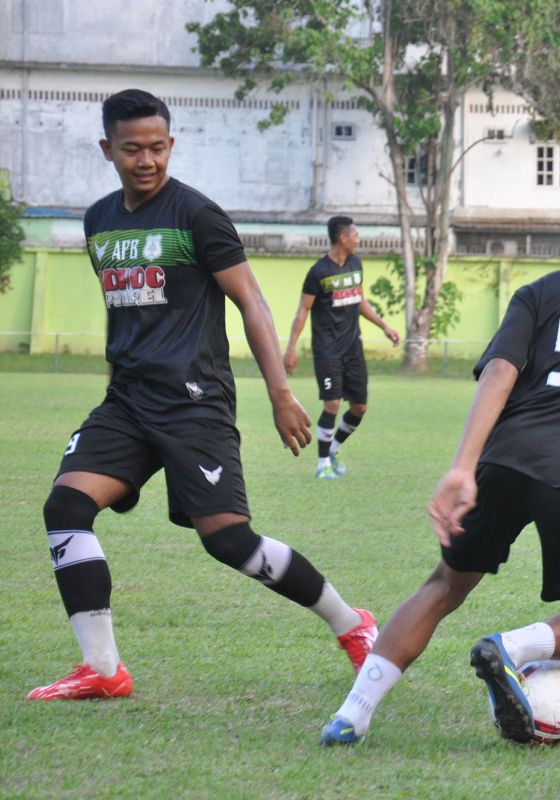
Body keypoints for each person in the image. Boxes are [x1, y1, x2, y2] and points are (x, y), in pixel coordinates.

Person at [318, 175, 560, 746]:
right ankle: (512, 647)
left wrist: (462, 467)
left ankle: (352, 714)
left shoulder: (542, 293)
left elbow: (499, 374)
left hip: (506, 459)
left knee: (444, 584)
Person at [28, 90, 377, 701]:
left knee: (229, 542)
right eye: (132, 148)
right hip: (128, 400)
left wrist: (279, 393)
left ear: (171, 144)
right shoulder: (99, 221)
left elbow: (250, 301)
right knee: (66, 508)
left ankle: (354, 626)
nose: (147, 160)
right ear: (108, 149)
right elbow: (124, 315)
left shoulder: (198, 215)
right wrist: (113, 400)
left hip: (194, 402)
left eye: (158, 147)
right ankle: (104, 671)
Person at [284, 215, 400, 479]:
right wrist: (291, 348)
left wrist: (385, 326)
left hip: (353, 348)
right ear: (342, 238)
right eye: (355, 234)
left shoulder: (356, 265)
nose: (359, 239)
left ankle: (333, 449)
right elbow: (303, 310)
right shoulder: (318, 272)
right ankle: (322, 464)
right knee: (332, 405)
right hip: (327, 349)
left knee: (360, 408)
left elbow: (359, 300)